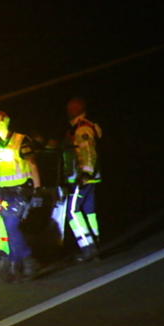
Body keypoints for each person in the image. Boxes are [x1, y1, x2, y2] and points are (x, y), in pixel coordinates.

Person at [0, 111, 41, 283]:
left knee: (12, 227)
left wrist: (37, 189)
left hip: (20, 190)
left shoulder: (20, 140)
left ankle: (28, 260)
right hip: (4, 193)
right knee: (9, 230)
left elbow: (33, 164)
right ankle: (14, 268)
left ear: (4, 122)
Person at [63, 97, 102, 262]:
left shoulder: (82, 128)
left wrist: (85, 173)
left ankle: (88, 247)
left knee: (72, 212)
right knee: (89, 213)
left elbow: (88, 151)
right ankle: (95, 245)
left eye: (71, 108)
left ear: (78, 109)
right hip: (90, 178)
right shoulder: (78, 128)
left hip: (81, 178)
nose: (68, 110)